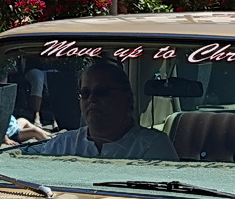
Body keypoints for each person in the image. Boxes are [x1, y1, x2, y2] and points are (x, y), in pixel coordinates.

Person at [21, 61, 175, 159]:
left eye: (102, 92)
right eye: (85, 94)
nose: (91, 99)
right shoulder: (62, 145)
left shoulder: (152, 147)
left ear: (126, 98)